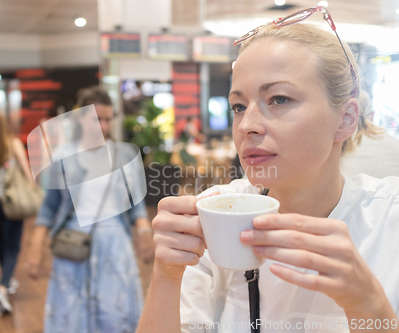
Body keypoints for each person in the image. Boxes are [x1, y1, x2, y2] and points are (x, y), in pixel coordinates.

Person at [136, 7, 399, 333]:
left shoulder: (389, 222)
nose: (248, 125)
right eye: (239, 106)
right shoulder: (217, 216)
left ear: (345, 119)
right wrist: (166, 273)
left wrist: (369, 303)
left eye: (279, 99)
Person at [26, 87, 155, 333]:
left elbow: (136, 202)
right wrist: (35, 245)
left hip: (115, 243)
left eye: (107, 119)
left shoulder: (123, 154)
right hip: (73, 242)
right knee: (72, 315)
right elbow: (49, 206)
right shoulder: (64, 155)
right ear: (80, 118)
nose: (103, 125)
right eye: (97, 118)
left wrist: (143, 231)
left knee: (114, 314)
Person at [0, 110, 34, 314]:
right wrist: (31, 188)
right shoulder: (13, 144)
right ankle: (2, 288)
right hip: (12, 201)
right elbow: (26, 171)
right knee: (13, 247)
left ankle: (8, 279)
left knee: (2, 242)